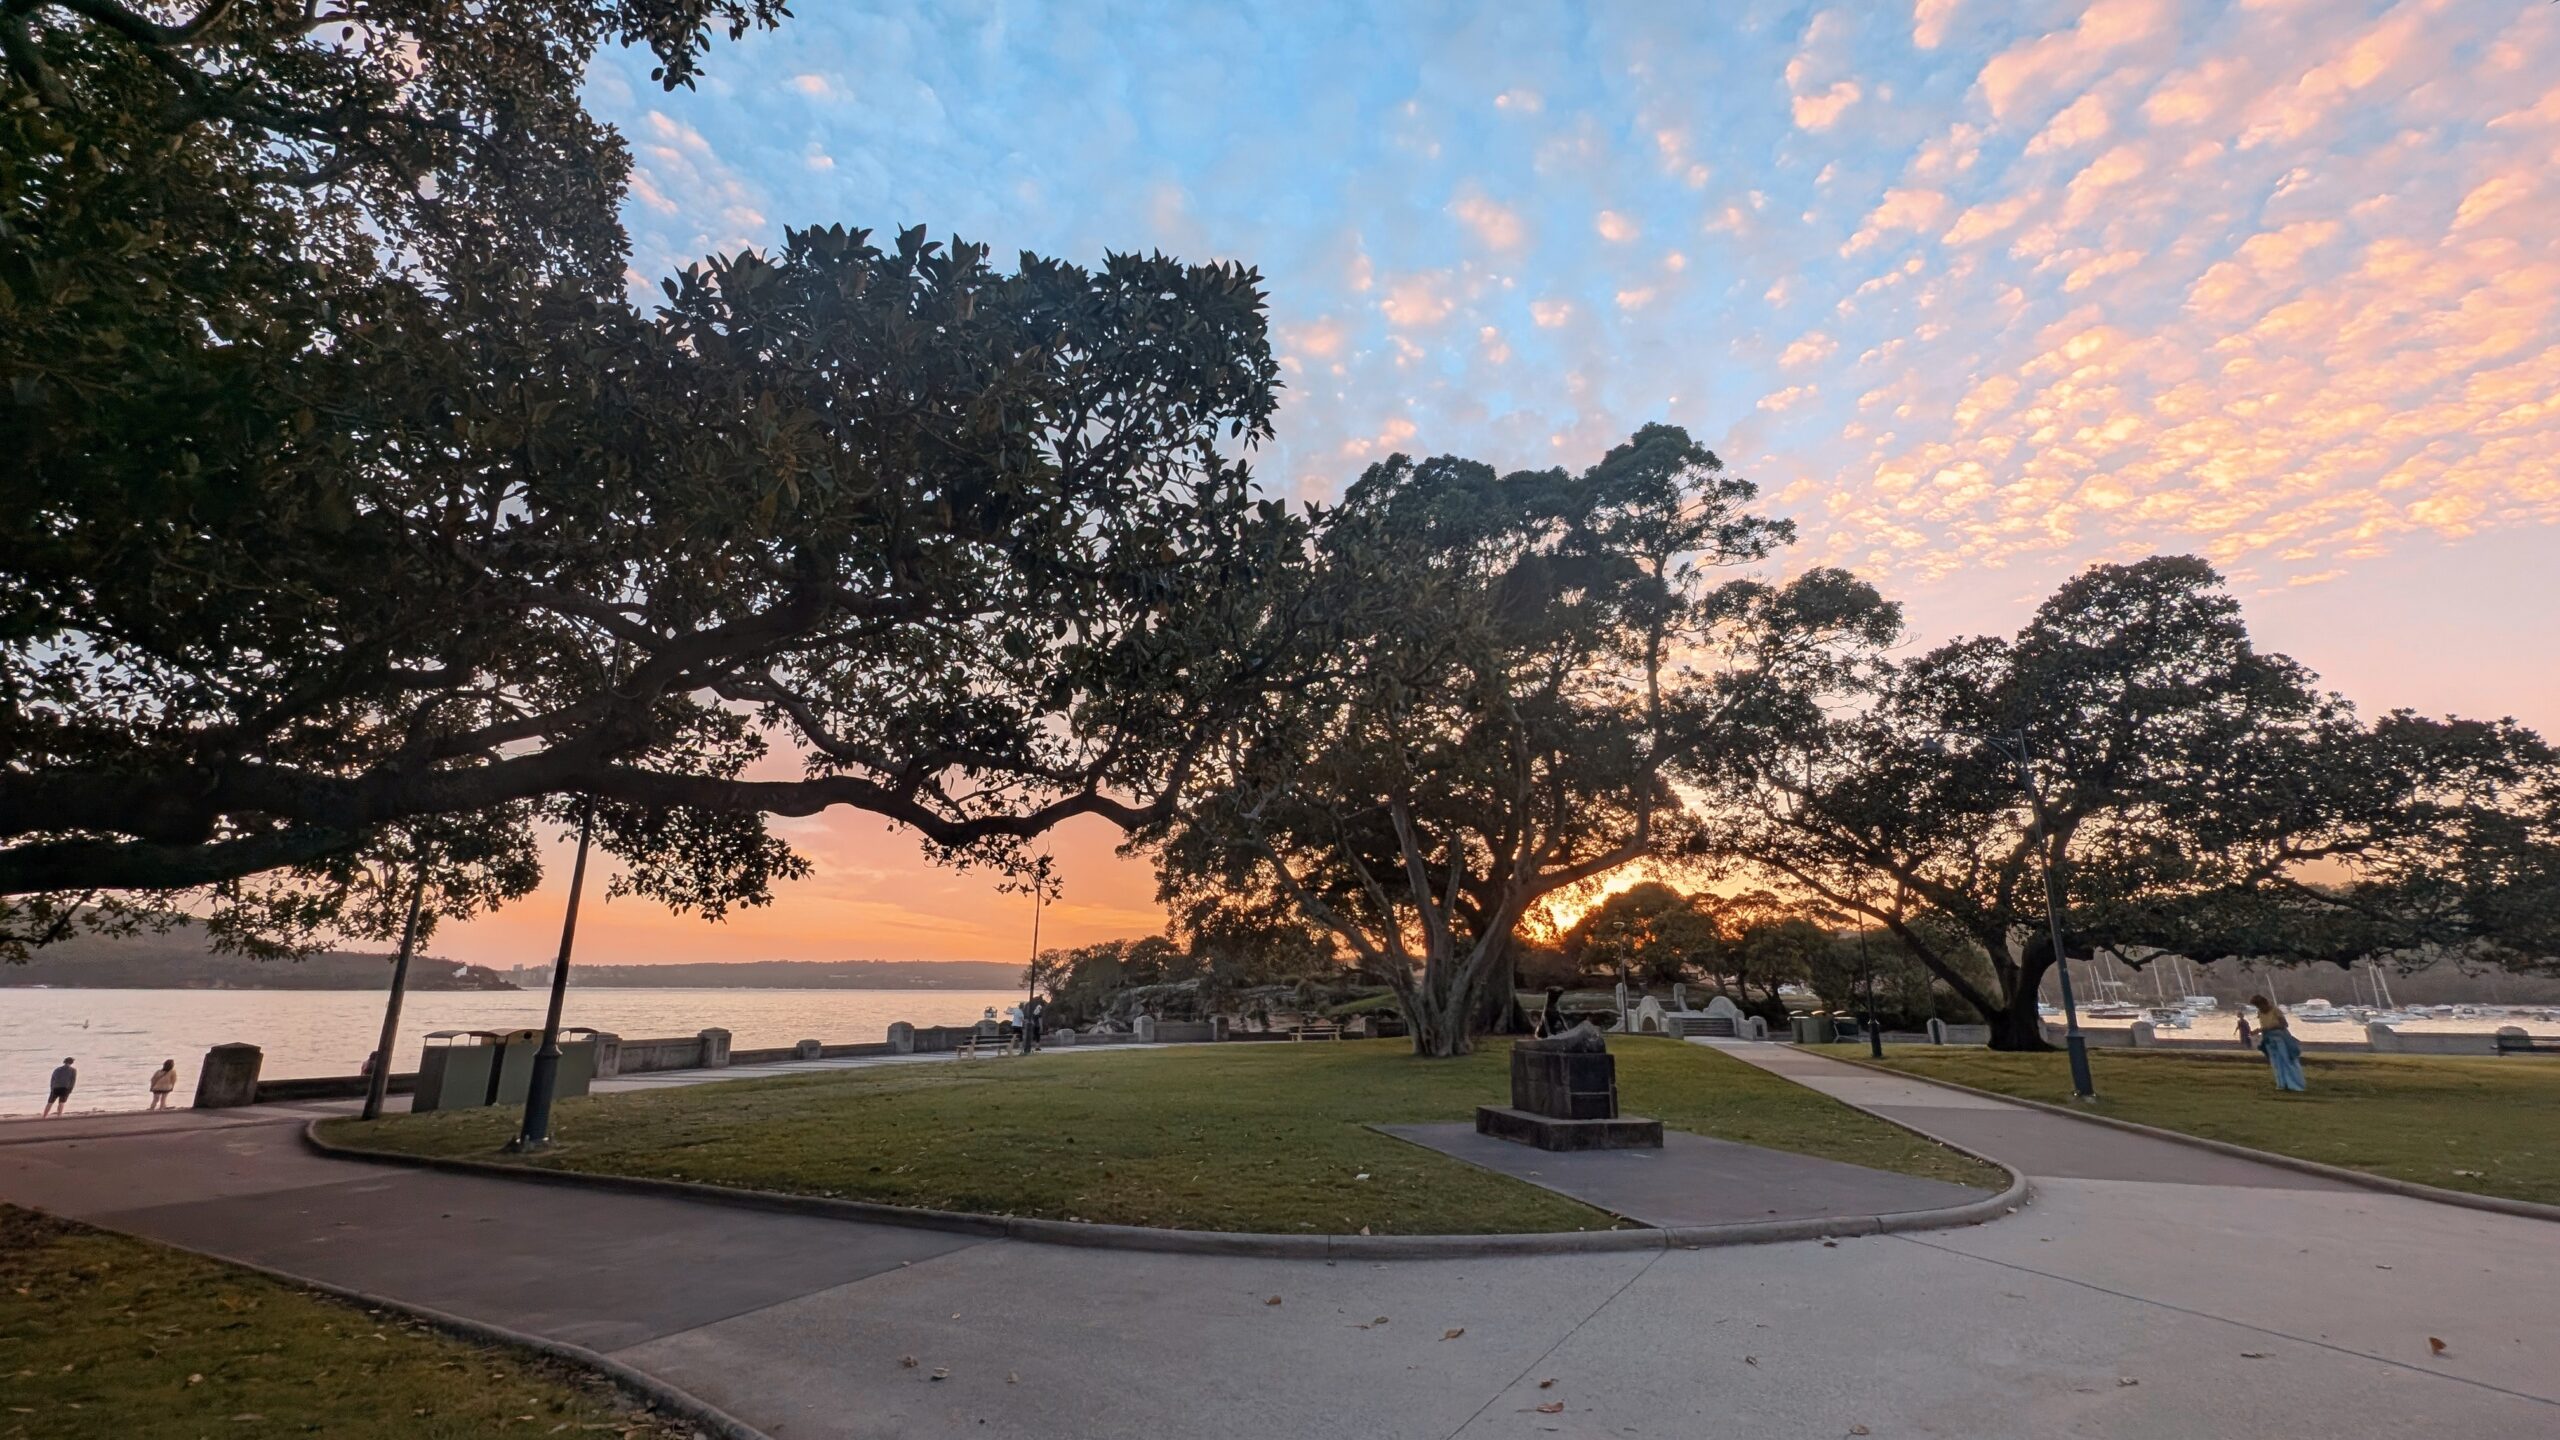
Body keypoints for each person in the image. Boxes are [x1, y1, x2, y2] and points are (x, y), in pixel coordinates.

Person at [2247, 994, 2306, 1092]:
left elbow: (2284, 1024)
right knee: (2276, 1063)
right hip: (2270, 1040)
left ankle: (2295, 1085)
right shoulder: (2260, 1013)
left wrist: (2266, 1028)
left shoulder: (2275, 1010)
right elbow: (2263, 1026)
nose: (2260, 1008)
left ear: (2264, 1003)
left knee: (2287, 1061)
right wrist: (2257, 1031)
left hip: (2281, 1039)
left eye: (2260, 1006)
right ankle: (2282, 1084)